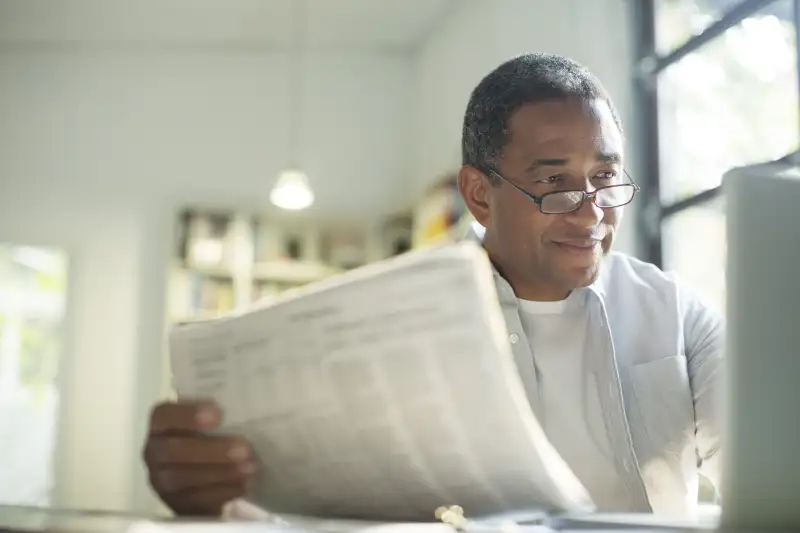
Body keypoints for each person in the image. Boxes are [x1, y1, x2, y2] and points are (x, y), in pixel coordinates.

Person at [143, 53, 723, 518]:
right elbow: (297, 510)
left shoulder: (678, 313)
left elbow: (772, 470)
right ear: (478, 195)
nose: (591, 211)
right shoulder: (380, 323)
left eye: (605, 176)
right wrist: (211, 494)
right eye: (554, 181)